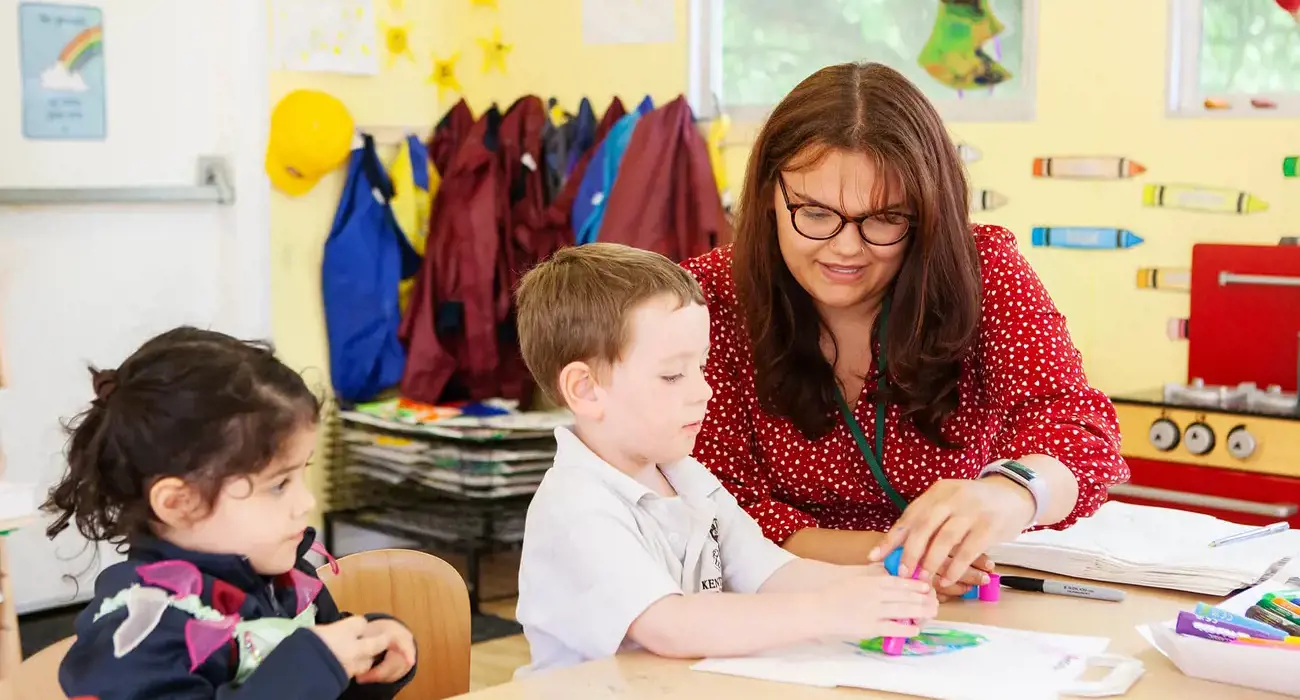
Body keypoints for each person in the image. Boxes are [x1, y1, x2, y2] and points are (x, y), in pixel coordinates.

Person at [682, 62, 1129, 600]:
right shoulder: (708, 300)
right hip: (783, 598)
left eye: (885, 218)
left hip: (956, 604)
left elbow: (1075, 427)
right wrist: (899, 558)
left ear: (927, 211)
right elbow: (721, 505)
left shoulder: (983, 273)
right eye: (816, 213)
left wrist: (1012, 492)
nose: (846, 248)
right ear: (767, 195)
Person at [511, 243, 937, 675]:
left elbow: (771, 574)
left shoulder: (688, 478)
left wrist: (879, 587)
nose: (704, 390)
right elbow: (668, 627)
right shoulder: (575, 507)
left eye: (702, 365)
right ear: (585, 390)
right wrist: (825, 610)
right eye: (673, 374)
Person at [43, 327, 418, 700]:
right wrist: (315, 665)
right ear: (179, 504)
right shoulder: (137, 634)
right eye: (279, 485)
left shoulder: (287, 579)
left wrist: (370, 657)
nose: (307, 502)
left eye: (302, 472)